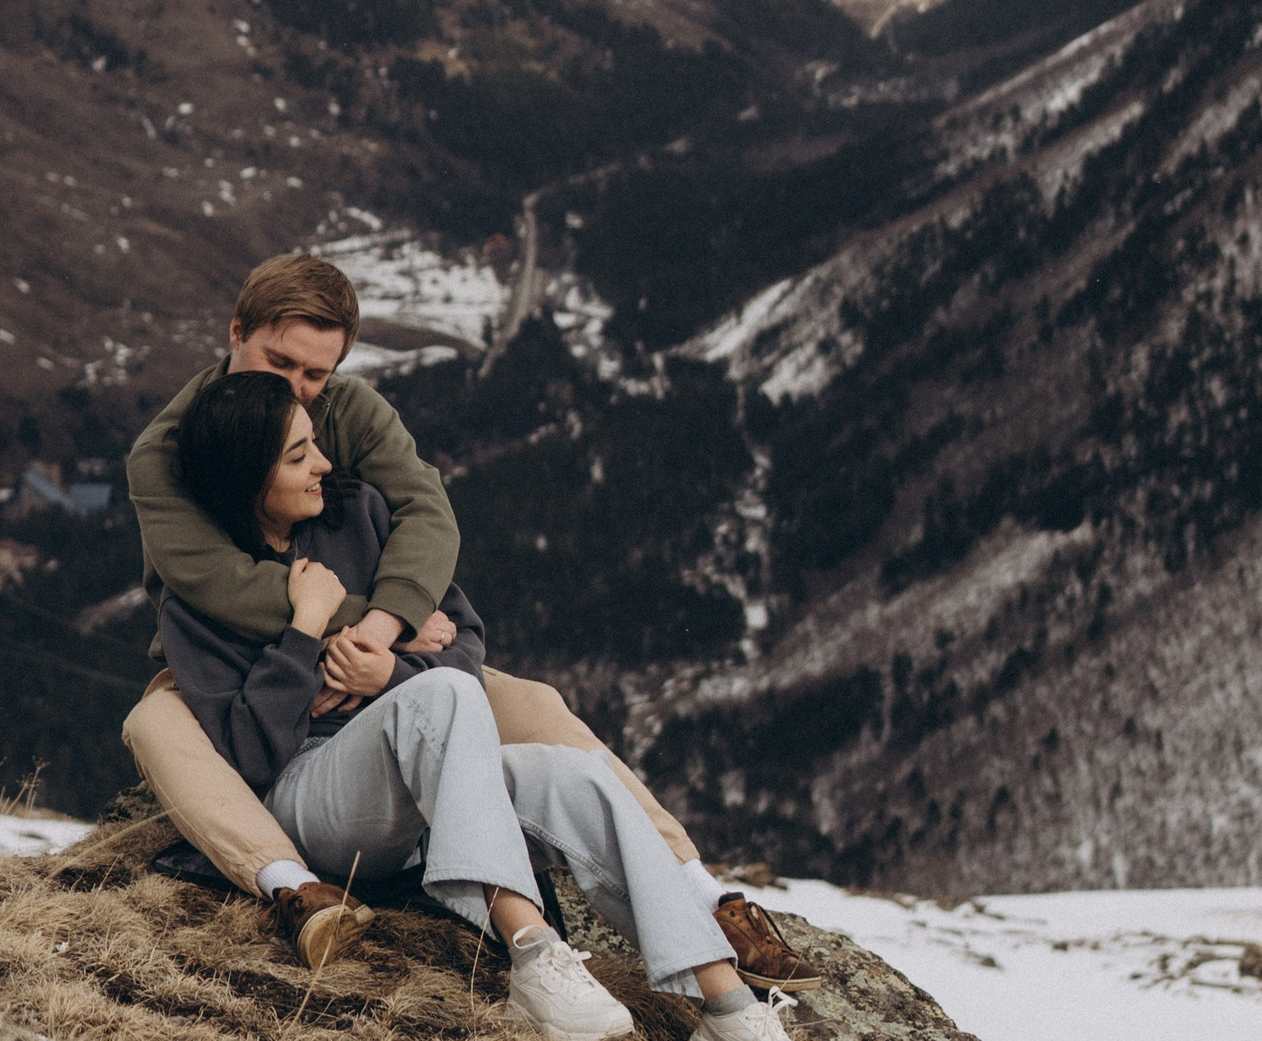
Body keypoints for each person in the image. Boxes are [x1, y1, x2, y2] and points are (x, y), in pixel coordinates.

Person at [139, 360, 835, 1041]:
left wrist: (387, 672)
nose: (324, 464)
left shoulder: (360, 516)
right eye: (298, 455)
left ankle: (729, 1010)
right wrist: (304, 630)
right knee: (438, 697)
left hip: (416, 768)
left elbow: (464, 641)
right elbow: (248, 754)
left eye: (315, 443)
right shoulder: (200, 598)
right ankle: (534, 953)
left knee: (575, 773)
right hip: (308, 795)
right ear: (248, 479)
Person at [122, 252, 806, 983]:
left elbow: (427, 513)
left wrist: (386, 634)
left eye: (316, 373)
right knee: (156, 725)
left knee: (534, 705)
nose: (296, 388)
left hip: (374, 654)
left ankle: (704, 897)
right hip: (233, 659)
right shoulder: (167, 451)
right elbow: (223, 586)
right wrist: (368, 618)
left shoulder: (349, 412)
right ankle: (293, 887)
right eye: (279, 361)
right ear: (236, 331)